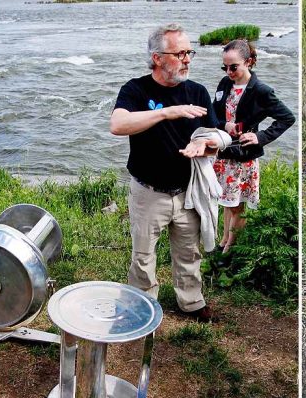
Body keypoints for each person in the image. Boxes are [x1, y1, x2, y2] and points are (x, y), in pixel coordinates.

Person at [111, 23, 221, 321]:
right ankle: (143, 306)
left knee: (189, 254)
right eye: (180, 53)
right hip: (149, 193)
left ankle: (191, 302)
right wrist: (165, 112)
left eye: (189, 52)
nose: (187, 59)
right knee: (144, 256)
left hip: (187, 192)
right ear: (157, 57)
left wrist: (207, 147)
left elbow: (214, 137)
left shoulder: (197, 91)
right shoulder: (136, 89)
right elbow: (118, 125)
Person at [212, 39, 295, 253]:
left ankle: (230, 249)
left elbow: (287, 118)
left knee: (237, 205)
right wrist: (224, 125)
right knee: (226, 202)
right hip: (223, 153)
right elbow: (214, 114)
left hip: (242, 157)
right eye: (225, 67)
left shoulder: (261, 90)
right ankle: (223, 241)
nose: (228, 71)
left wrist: (260, 136)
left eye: (233, 67)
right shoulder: (224, 84)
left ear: (248, 62)